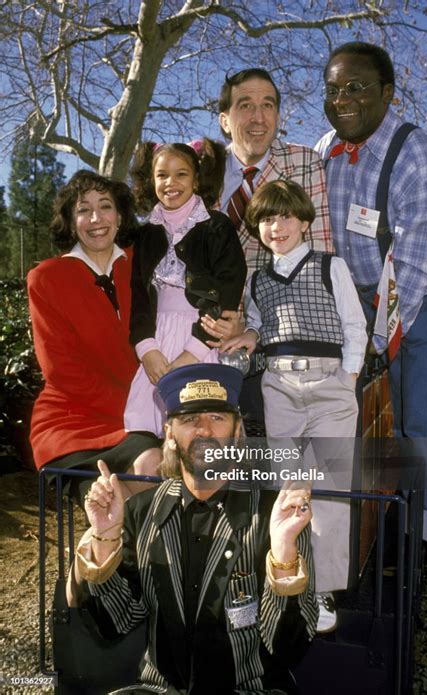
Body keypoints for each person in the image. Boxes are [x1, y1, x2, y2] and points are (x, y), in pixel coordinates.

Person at [67, 363, 318, 694]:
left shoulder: (277, 514)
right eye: (189, 420)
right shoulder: (141, 513)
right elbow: (113, 626)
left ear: (237, 429)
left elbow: (288, 650)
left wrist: (284, 548)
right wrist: (105, 537)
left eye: (217, 417)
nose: (204, 430)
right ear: (169, 434)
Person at [314, 41, 427, 541]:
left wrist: (373, 342)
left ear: (387, 93)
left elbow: (412, 273)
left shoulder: (418, 155)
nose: (342, 99)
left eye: (356, 88)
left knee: (426, 421)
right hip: (362, 295)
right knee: (385, 416)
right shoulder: (325, 152)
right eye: (333, 89)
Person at [220, 180, 367, 631]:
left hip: (330, 388)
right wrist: (248, 336)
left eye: (284, 216)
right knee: (289, 487)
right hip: (279, 388)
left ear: (304, 221)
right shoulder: (258, 279)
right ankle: (286, 579)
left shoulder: (330, 266)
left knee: (328, 490)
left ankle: (323, 588)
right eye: (265, 218)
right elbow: (262, 328)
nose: (275, 226)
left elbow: (354, 325)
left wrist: (347, 378)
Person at [27, 170, 162, 504]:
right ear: (72, 221)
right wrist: (141, 412)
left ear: (120, 216)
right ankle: (110, 544)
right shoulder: (45, 278)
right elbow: (61, 372)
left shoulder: (146, 265)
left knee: (152, 467)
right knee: (107, 498)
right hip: (73, 422)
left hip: (142, 419)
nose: (96, 218)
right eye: (83, 209)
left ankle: (122, 549)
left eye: (105, 206)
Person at [123, 139, 247, 439]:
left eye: (181, 174)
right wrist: (147, 350)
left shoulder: (216, 227)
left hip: (201, 341)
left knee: (198, 427)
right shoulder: (146, 233)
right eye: (162, 175)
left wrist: (192, 353)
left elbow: (229, 288)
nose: (171, 183)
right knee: (145, 421)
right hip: (157, 344)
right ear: (150, 180)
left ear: (196, 178)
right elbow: (139, 296)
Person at [200, 67, 333, 344]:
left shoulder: (304, 162)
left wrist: (254, 328)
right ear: (224, 120)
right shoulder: (202, 169)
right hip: (205, 328)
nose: (258, 118)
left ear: (278, 116)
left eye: (267, 106)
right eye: (245, 105)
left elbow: (317, 263)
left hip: (281, 328)